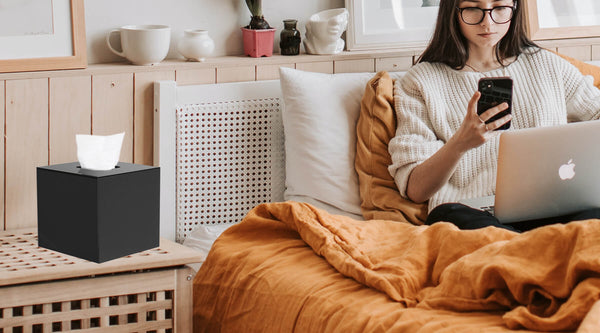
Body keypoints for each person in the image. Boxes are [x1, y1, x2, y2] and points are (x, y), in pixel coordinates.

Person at [388, 0, 600, 232]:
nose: (487, 22)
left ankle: (531, 254)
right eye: (473, 8)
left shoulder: (548, 65)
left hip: (554, 206)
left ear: (515, 8)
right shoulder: (419, 82)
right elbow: (416, 190)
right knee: (452, 220)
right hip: (473, 213)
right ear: (453, 11)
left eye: (499, 7)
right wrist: (459, 144)